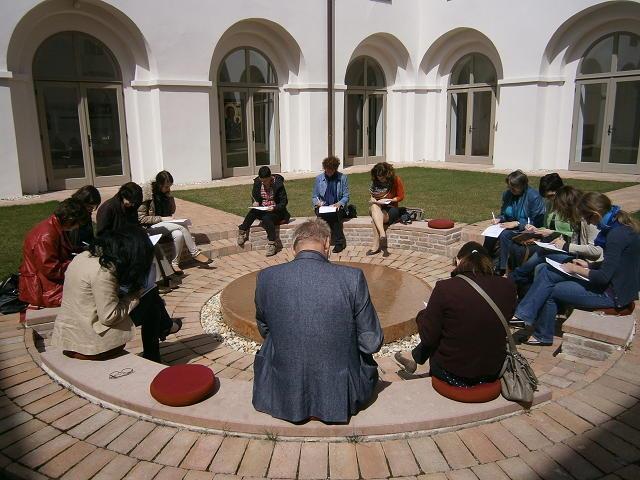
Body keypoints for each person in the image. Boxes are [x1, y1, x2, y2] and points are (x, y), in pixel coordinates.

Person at [252, 218, 383, 423]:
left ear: (294, 247)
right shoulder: (352, 278)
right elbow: (371, 341)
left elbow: (264, 328)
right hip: (342, 395)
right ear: (327, 243)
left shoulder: (266, 277)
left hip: (281, 389)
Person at [511, 192, 640, 346]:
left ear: (596, 214)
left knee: (551, 289)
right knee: (547, 272)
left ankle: (540, 332)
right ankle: (525, 316)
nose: (590, 223)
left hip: (613, 294)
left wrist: (574, 269)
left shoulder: (615, 235)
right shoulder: (620, 227)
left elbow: (603, 277)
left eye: (588, 218)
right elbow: (617, 264)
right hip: (613, 285)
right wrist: (589, 265)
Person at [394, 242, 516, 390]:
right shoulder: (508, 286)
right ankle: (416, 357)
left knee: (436, 327)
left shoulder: (445, 288)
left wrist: (423, 316)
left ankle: (416, 357)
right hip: (493, 370)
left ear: (459, 261)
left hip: (452, 375)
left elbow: (428, 338)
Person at [51, 227, 181, 363]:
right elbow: (109, 316)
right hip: (92, 343)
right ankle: (157, 346)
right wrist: (134, 295)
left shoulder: (82, 257)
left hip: (72, 334)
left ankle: (164, 332)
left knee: (150, 296)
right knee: (150, 302)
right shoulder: (104, 271)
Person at [509, 186, 602, 297]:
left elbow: (596, 250)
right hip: (578, 257)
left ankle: (515, 278)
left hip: (588, 263)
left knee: (542, 257)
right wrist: (558, 236)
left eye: (561, 209)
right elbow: (577, 240)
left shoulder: (589, 221)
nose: (560, 212)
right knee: (541, 261)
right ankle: (519, 282)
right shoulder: (578, 219)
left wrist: (566, 246)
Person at [19, 198, 89, 308]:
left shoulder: (55, 227)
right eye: (78, 223)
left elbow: (63, 251)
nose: (78, 227)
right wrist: (77, 263)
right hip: (42, 287)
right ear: (70, 219)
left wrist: (82, 250)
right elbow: (51, 269)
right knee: (86, 293)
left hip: (47, 280)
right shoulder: (47, 236)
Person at [138, 170, 211, 274]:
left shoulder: (165, 194)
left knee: (179, 234)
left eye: (170, 186)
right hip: (149, 228)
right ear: (159, 185)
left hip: (163, 225)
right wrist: (161, 219)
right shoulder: (147, 195)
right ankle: (195, 253)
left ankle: (175, 263)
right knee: (182, 226)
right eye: (166, 187)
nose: (168, 189)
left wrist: (170, 197)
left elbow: (172, 211)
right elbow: (141, 219)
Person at [483, 170, 546, 275]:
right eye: (509, 187)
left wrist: (518, 223)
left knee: (505, 235)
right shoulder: (508, 194)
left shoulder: (533, 197)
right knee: (490, 234)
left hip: (527, 229)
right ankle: (483, 261)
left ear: (522, 185)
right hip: (511, 226)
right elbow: (505, 214)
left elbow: (536, 222)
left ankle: (502, 267)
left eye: (514, 187)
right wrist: (499, 219)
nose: (511, 189)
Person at [237, 166, 291, 257]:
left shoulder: (278, 184)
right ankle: (242, 231)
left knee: (267, 218)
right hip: (263, 208)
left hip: (276, 211)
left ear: (270, 177)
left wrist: (274, 207)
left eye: (265, 181)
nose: (263, 183)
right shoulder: (258, 182)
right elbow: (255, 196)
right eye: (262, 181)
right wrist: (255, 202)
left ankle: (272, 243)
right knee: (253, 212)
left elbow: (283, 202)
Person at [311, 156, 350, 253]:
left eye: (331, 170)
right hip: (323, 206)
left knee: (332, 215)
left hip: (337, 207)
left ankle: (336, 242)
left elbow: (346, 196)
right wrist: (318, 203)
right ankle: (338, 241)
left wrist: (339, 203)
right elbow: (314, 196)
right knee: (325, 215)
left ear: (335, 169)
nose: (328, 172)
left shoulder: (342, 178)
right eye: (327, 170)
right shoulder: (319, 179)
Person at [367, 162, 405, 256]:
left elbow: (401, 196)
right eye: (378, 176)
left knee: (375, 221)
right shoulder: (374, 182)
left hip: (391, 207)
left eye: (382, 177)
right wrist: (374, 200)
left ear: (387, 174)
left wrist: (390, 200)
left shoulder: (395, 180)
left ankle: (375, 246)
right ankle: (382, 233)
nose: (380, 179)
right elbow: (372, 196)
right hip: (378, 207)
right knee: (374, 206)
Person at [69, 185, 101, 250]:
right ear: (81, 202)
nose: (91, 210)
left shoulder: (86, 213)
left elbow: (89, 236)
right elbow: (73, 244)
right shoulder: (72, 216)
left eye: (93, 207)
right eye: (89, 207)